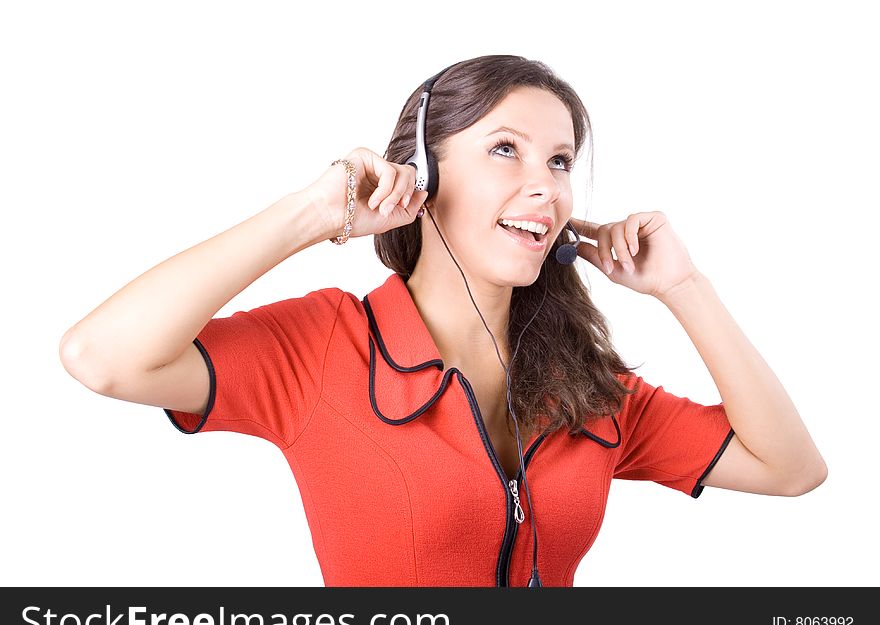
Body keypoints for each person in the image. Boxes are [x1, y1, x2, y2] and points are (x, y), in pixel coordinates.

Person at [59, 54, 827, 587]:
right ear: (423, 173)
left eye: (560, 162)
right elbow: (101, 355)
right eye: (506, 150)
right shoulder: (324, 348)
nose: (547, 188)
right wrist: (313, 213)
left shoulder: (588, 387)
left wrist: (682, 286)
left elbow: (791, 469)